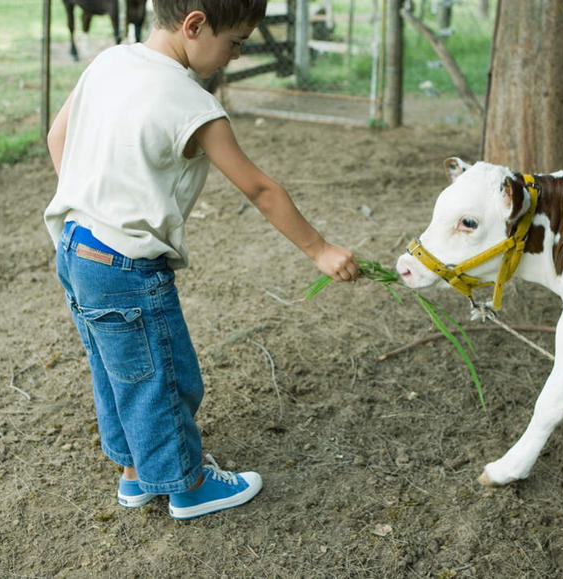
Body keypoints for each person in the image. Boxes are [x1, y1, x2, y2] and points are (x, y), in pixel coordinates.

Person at [44, 0, 359, 520]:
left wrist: (95, 201)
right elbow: (259, 188)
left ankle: (135, 476)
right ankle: (186, 487)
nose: (235, 56)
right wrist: (320, 250)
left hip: (76, 247)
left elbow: (58, 138)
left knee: (120, 370)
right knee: (166, 377)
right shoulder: (193, 105)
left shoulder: (109, 61)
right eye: (234, 42)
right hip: (126, 265)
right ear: (195, 25)